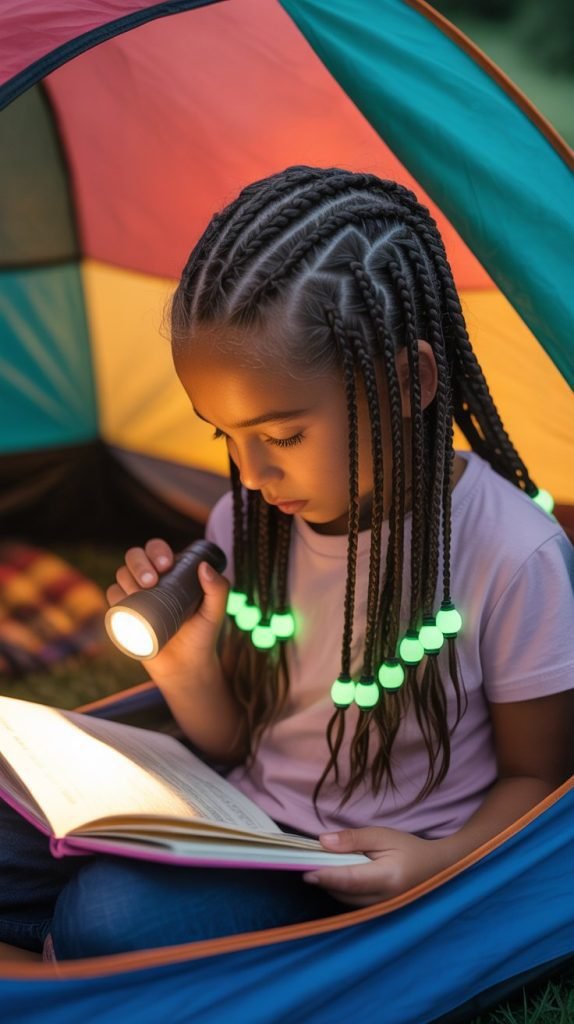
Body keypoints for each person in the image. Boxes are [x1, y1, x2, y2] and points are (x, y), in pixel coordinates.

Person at [1, 165, 573, 962]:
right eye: (223, 436)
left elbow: (543, 782)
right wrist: (186, 666)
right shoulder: (246, 523)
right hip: (242, 825)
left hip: (354, 863)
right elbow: (238, 743)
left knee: (107, 921)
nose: (252, 473)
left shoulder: (514, 555)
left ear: (408, 381)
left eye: (281, 436)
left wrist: (436, 864)